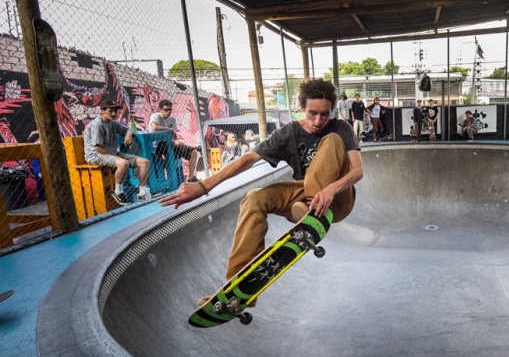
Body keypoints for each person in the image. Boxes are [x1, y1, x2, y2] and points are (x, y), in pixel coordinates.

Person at [160, 78, 364, 304]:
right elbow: (248, 159)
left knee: (332, 139)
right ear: (302, 108)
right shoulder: (289, 133)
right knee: (254, 198)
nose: (318, 120)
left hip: (338, 200)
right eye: (312, 113)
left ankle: (310, 209)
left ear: (332, 110)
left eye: (324, 114)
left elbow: (357, 171)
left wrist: (331, 189)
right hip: (302, 198)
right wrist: (203, 186)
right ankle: (236, 286)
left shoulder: (340, 128)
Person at [83, 99, 151, 205]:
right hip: (95, 155)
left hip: (110, 153)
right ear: (102, 111)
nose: (114, 113)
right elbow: (98, 148)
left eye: (115, 111)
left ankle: (143, 192)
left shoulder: (112, 123)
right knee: (123, 163)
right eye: (110, 111)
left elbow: (128, 129)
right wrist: (115, 155)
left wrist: (128, 134)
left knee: (145, 162)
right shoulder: (98, 125)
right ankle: (118, 192)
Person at [149, 99, 201, 183]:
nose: (168, 112)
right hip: (159, 145)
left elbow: (175, 137)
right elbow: (154, 127)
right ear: (160, 109)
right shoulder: (156, 116)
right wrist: (169, 130)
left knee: (193, 153)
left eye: (170, 110)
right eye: (166, 110)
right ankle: (195, 146)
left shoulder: (172, 119)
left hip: (172, 145)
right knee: (176, 143)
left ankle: (191, 178)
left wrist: (180, 142)